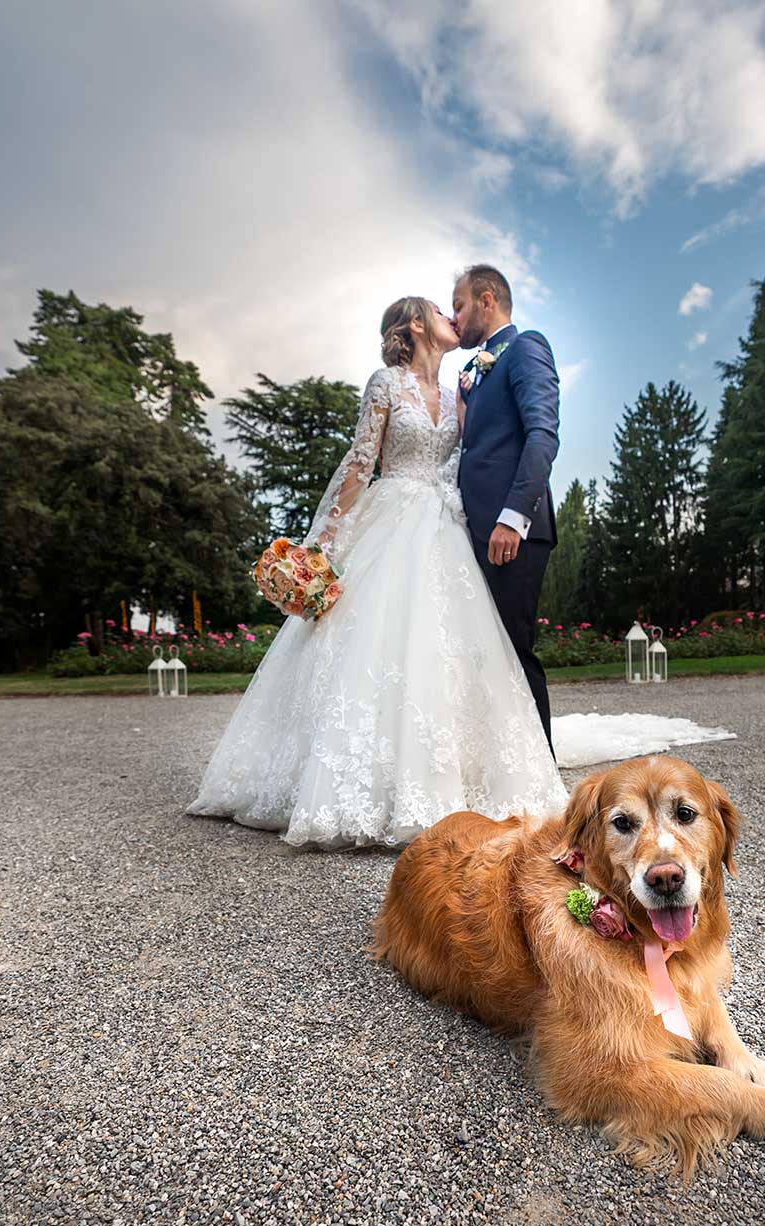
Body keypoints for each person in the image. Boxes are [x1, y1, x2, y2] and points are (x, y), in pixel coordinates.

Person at [186, 294, 568, 848]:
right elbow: (361, 462)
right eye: (443, 310)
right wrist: (320, 543)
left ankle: (455, 778)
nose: (452, 318)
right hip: (392, 522)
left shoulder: (463, 388)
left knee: (451, 655)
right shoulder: (385, 384)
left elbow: (472, 456)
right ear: (415, 324)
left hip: (447, 528)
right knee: (374, 647)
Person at [450, 265, 559, 749]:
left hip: (511, 531)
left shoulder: (526, 346)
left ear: (487, 299)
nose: (455, 318)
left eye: (459, 305)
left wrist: (512, 518)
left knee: (515, 651)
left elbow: (542, 436)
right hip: (471, 532)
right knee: (482, 653)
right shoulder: (474, 372)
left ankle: (542, 768)